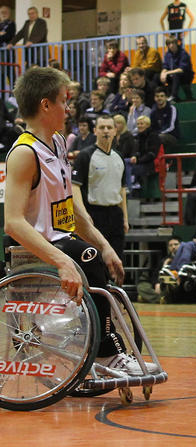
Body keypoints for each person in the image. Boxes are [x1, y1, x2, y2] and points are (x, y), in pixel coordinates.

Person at [5, 66, 156, 375]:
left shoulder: (59, 144)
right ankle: (104, 354)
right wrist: (61, 260)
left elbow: (71, 208)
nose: (69, 108)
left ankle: (97, 344)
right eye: (64, 101)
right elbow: (13, 223)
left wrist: (105, 245)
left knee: (96, 258)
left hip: (62, 238)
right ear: (46, 105)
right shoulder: (24, 153)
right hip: (33, 248)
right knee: (87, 257)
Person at [72, 115, 128, 261]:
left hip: (115, 215)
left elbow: (122, 189)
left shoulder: (119, 157)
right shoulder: (85, 155)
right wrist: (83, 214)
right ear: (95, 131)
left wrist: (125, 218)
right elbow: (74, 186)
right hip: (94, 214)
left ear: (115, 131)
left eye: (109, 127)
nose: (106, 131)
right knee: (95, 261)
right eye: (102, 127)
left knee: (117, 260)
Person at [160, 36, 194, 101]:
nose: (171, 45)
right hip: (173, 75)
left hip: (185, 76)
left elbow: (181, 69)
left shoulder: (183, 53)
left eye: (173, 43)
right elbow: (165, 66)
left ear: (176, 43)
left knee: (176, 75)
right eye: (169, 44)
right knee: (159, 76)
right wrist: (163, 73)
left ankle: (173, 96)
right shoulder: (168, 54)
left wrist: (167, 73)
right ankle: (165, 96)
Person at [131, 115, 161, 186]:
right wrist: (134, 157)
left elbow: (152, 154)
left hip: (150, 164)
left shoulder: (153, 136)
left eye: (141, 124)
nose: (139, 126)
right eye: (138, 124)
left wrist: (138, 161)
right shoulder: (138, 137)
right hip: (140, 162)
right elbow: (135, 151)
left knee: (129, 169)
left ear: (147, 125)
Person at [150, 86, 180, 152]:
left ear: (166, 97)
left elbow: (171, 127)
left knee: (160, 137)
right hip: (158, 135)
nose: (159, 98)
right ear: (154, 98)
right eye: (157, 96)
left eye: (162, 96)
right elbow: (152, 126)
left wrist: (158, 134)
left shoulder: (172, 108)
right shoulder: (153, 111)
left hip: (172, 136)